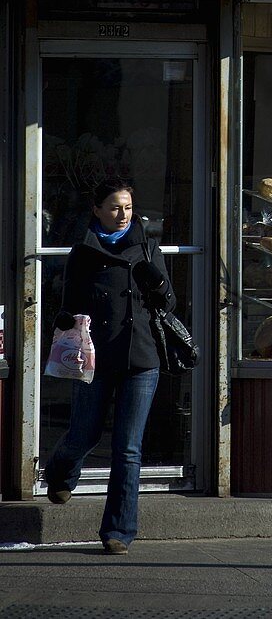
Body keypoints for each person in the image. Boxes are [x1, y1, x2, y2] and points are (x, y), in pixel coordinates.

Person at [44, 177, 175, 555]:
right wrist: (66, 321)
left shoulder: (148, 249)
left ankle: (119, 531)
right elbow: (66, 303)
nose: (123, 215)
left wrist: (160, 287)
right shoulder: (83, 253)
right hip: (95, 359)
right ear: (97, 209)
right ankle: (60, 470)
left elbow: (168, 305)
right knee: (84, 434)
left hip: (141, 358)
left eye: (129, 208)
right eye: (115, 207)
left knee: (127, 449)